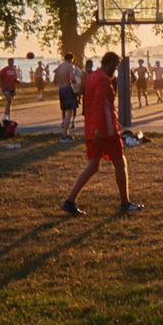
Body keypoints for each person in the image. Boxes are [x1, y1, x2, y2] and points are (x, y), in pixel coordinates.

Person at [60, 51, 144, 216]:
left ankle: (69, 201)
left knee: (93, 166)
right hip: (105, 130)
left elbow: (88, 100)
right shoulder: (103, 80)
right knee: (119, 163)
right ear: (109, 63)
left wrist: (93, 127)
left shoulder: (92, 77)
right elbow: (99, 103)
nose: (116, 68)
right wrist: (99, 127)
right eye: (115, 65)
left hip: (93, 128)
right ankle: (125, 203)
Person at [54, 53, 78, 141]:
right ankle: (65, 134)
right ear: (71, 59)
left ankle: (66, 133)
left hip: (61, 89)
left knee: (65, 109)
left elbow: (55, 79)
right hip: (67, 88)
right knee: (69, 111)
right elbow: (72, 78)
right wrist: (76, 81)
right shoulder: (70, 66)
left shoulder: (59, 67)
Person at [0, 57, 19, 121]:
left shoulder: (14, 70)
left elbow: (14, 78)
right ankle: (8, 117)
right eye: (10, 62)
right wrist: (4, 85)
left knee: (9, 102)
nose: (12, 63)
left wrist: (16, 81)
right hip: (6, 88)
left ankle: (5, 116)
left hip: (12, 88)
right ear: (8, 62)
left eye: (12, 62)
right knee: (9, 100)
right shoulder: (4, 70)